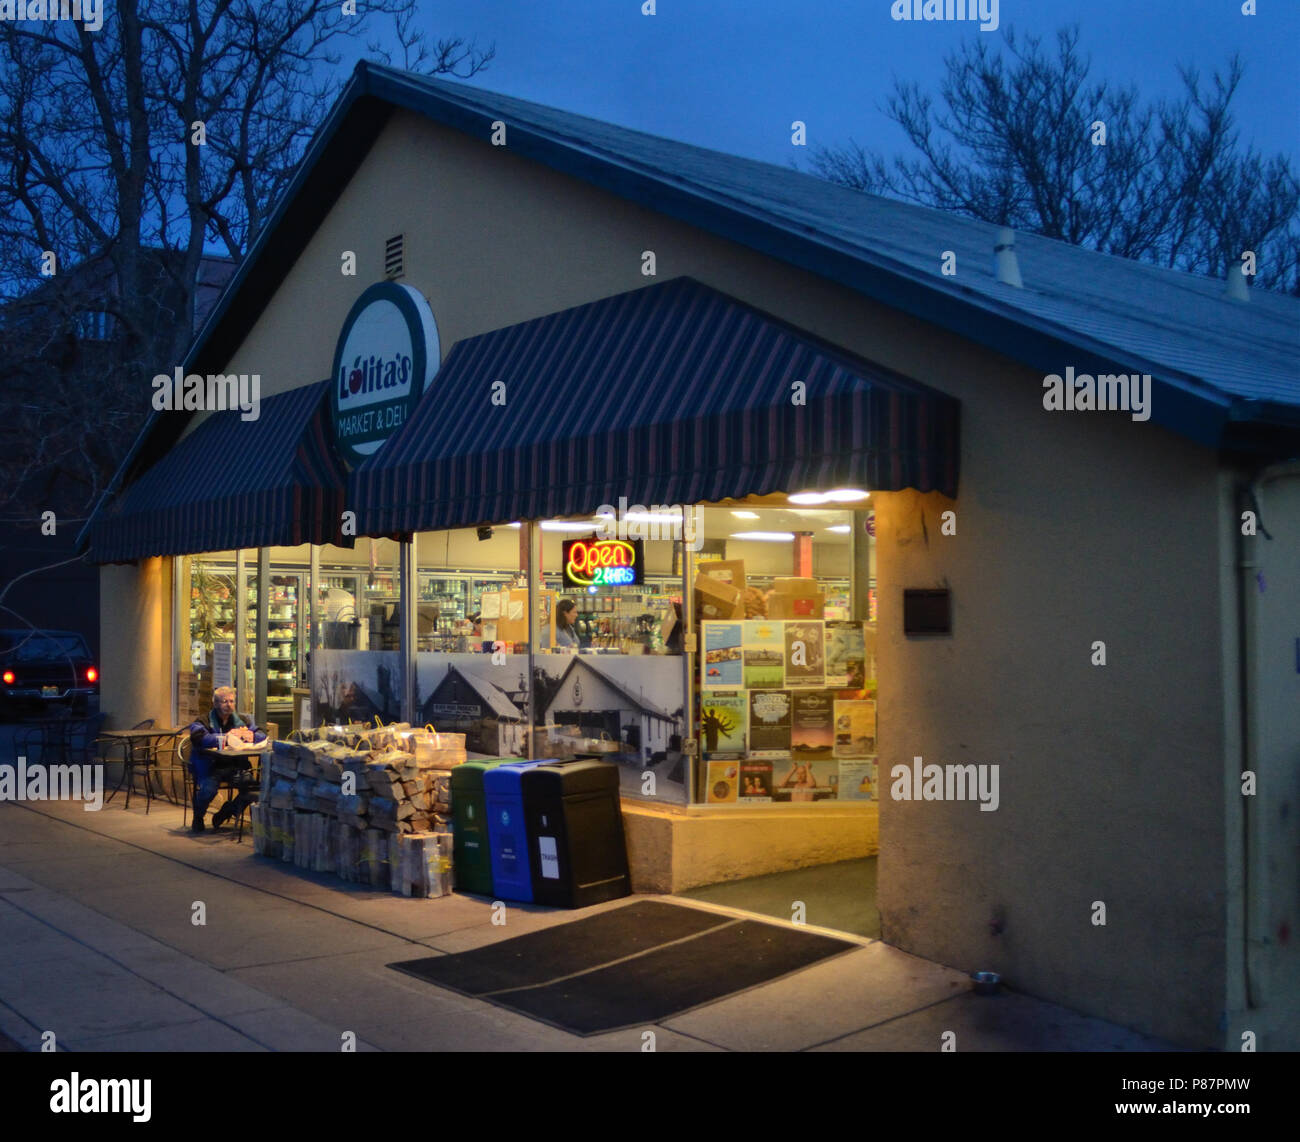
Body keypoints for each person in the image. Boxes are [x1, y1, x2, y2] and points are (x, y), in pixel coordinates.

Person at [187, 686, 266, 832]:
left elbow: (261, 734)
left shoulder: (242, 720)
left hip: (235, 766)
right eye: (224, 702)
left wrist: (252, 736)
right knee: (208, 790)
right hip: (210, 767)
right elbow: (198, 737)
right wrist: (226, 738)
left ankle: (228, 810)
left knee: (252, 787)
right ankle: (198, 816)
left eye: (231, 701)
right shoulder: (203, 720)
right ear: (215, 703)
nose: (229, 705)